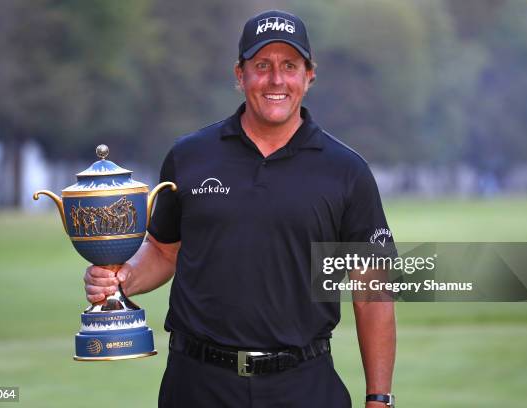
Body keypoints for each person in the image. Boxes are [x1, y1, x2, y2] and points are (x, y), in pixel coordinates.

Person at [84, 10, 396, 408]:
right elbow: (165, 251)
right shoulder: (190, 156)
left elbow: (373, 292)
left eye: (290, 66)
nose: (276, 80)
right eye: (262, 66)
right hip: (198, 384)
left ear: (309, 76)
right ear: (240, 74)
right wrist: (121, 278)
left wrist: (379, 399)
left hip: (303, 385)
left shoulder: (346, 170)